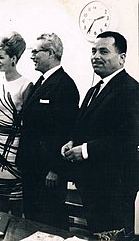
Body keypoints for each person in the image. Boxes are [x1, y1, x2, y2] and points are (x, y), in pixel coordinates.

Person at [61, 31, 139, 235]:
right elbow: (85, 126)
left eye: (103, 51)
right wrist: (72, 141)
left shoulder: (131, 89)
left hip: (114, 187)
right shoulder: (95, 89)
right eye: (93, 51)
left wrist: (85, 150)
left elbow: (128, 138)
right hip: (94, 184)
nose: (96, 56)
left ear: (122, 58)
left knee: (113, 236)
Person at [16, 33, 80, 229]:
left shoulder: (65, 86)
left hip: (48, 173)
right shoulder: (41, 83)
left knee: (51, 221)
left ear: (51, 53)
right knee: (34, 219)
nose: (32, 56)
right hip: (33, 168)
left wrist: (56, 169)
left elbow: (66, 132)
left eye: (36, 52)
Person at [0, 32, 33, 216]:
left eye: (1, 57)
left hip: (14, 147)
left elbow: (27, 122)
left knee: (15, 198)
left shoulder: (26, 85)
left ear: (13, 58)